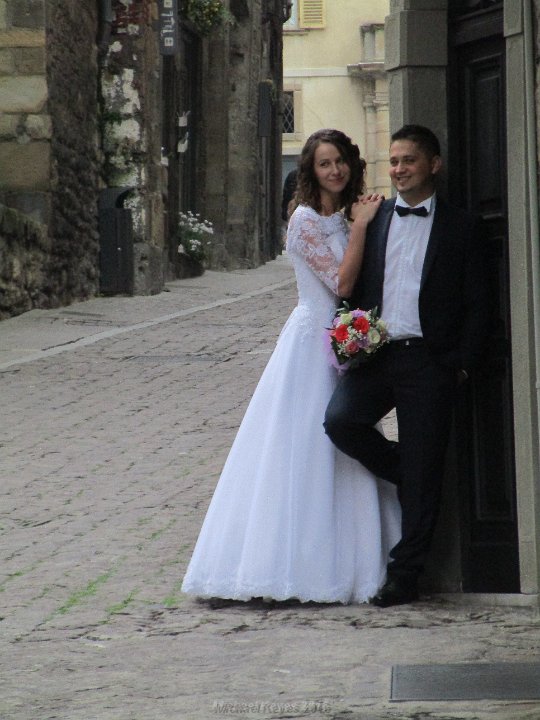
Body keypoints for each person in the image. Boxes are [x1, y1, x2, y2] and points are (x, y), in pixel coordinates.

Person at [181, 129, 401, 604]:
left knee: (348, 440)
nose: (335, 170)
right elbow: (341, 284)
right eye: (324, 164)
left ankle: (356, 555)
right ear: (310, 171)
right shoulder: (303, 221)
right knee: (303, 448)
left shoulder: (342, 218)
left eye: (340, 160)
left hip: (344, 342)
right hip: (310, 346)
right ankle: (288, 565)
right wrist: (362, 226)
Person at [324, 124, 490, 607]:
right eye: (393, 162)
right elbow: (349, 285)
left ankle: (405, 576)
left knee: (424, 463)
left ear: (433, 165)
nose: (398, 170)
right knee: (340, 421)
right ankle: (412, 474)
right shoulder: (373, 218)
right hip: (377, 355)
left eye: (409, 161)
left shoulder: (462, 227)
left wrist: (460, 365)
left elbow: (480, 303)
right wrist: (349, 336)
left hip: (429, 362)